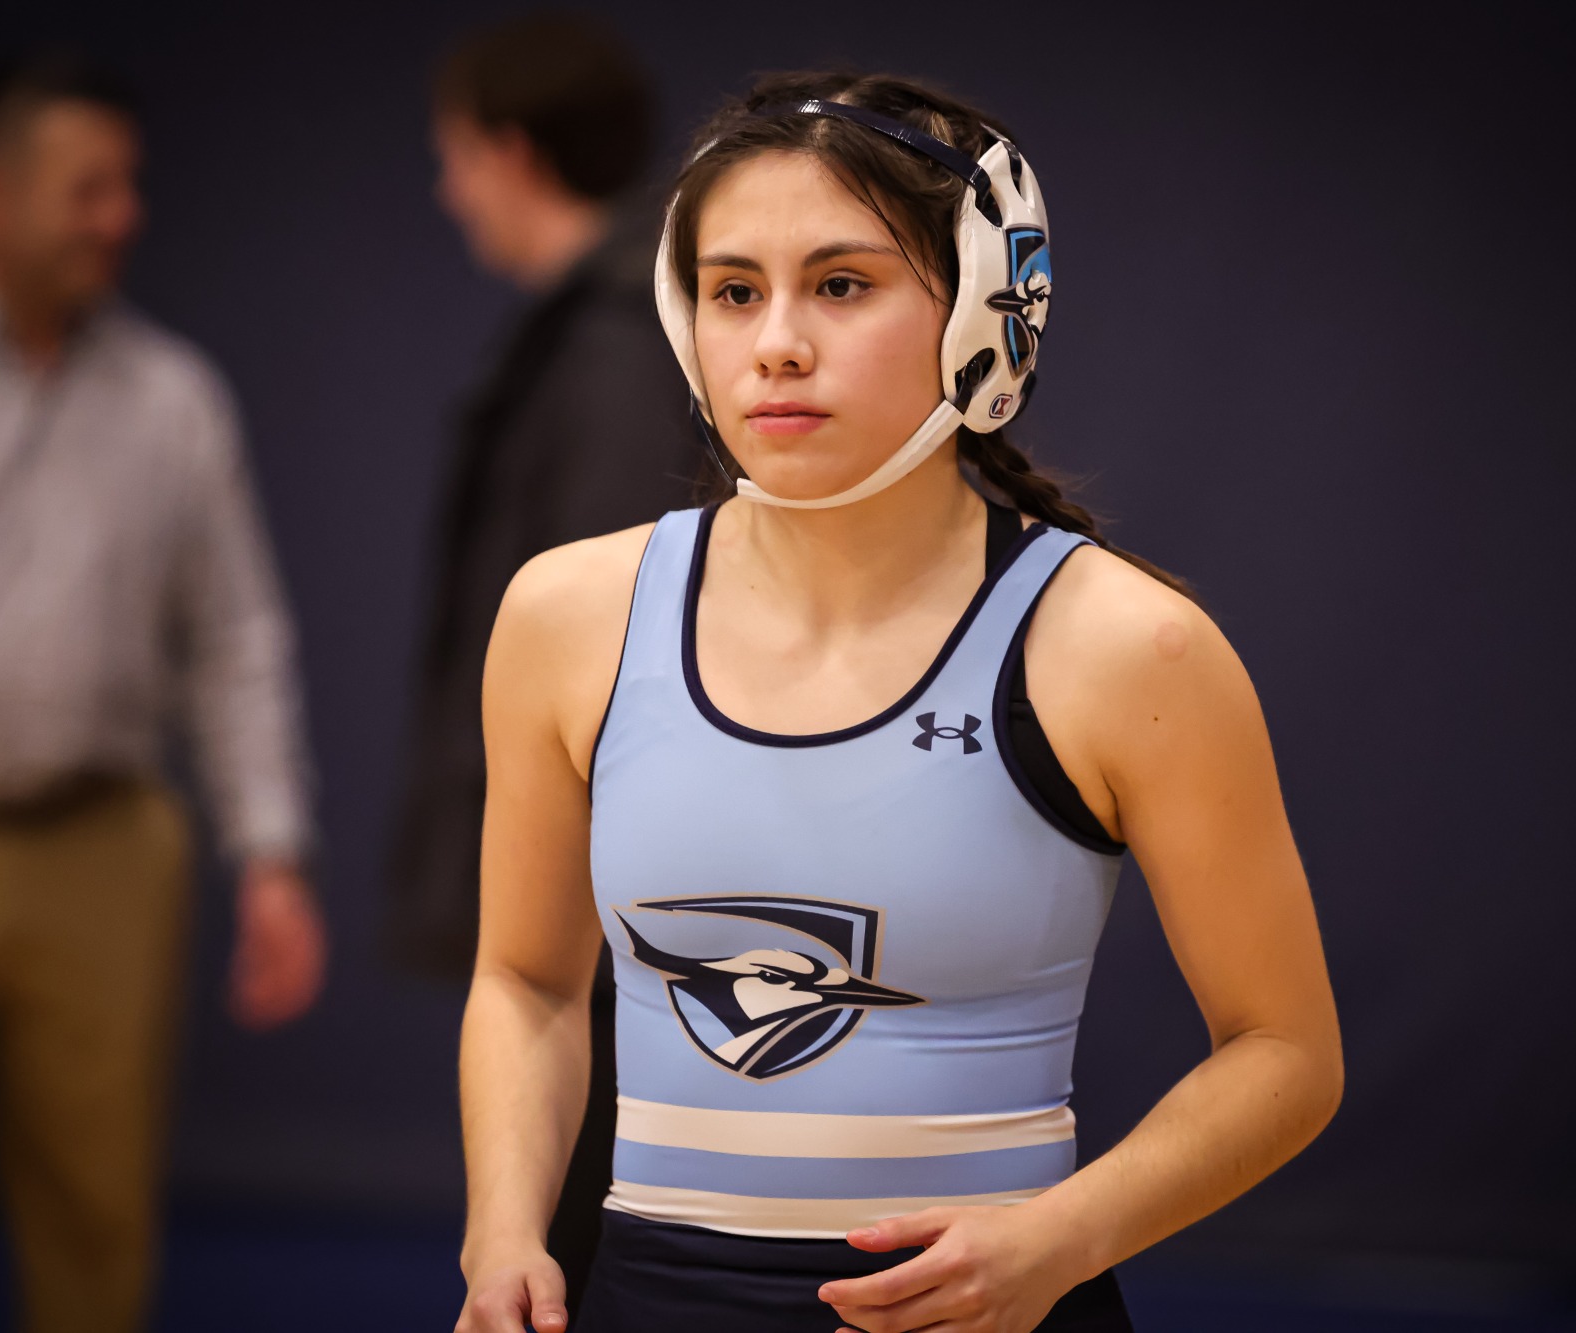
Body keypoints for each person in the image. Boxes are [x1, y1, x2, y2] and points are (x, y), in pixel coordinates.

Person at [451, 72, 1344, 1333]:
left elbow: (1286, 1052)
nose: (774, 343)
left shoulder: (1123, 648)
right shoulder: (567, 616)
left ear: (989, 313)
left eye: (840, 284)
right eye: (732, 291)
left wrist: (1061, 1239)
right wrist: (501, 1234)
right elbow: (529, 982)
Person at [0, 52, 325, 1333]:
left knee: (95, 1212)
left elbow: (235, 636)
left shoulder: (173, 398)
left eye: (128, 187)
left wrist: (268, 852)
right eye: (88, 188)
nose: (121, 216)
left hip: (106, 844)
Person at [394, 14, 700, 1310]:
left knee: (578, 1242)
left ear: (513, 154)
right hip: (578, 889)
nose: (445, 189)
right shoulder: (593, 331)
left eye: (454, 154)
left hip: (605, 894)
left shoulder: (619, 347)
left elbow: (607, 648)